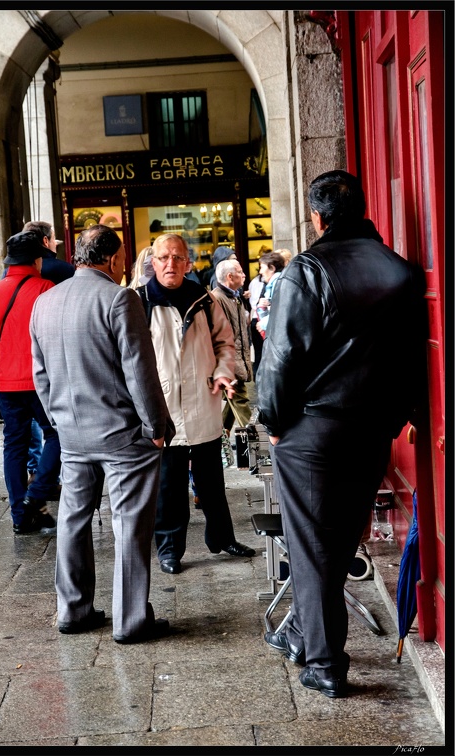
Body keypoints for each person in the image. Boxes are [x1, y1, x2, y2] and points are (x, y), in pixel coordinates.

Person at [256, 170, 427, 699]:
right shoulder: (400, 271)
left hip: (314, 430)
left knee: (311, 550)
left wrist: (274, 422)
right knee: (336, 542)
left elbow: (282, 357)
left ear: (317, 216)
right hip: (372, 428)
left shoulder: (308, 269)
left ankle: (326, 663)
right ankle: (304, 636)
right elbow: (412, 356)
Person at [30, 224, 175, 642]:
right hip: (122, 435)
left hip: (72, 434)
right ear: (112, 259)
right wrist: (155, 426)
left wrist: (58, 421)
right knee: (129, 522)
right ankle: (130, 621)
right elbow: (139, 371)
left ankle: (72, 610)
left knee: (73, 520)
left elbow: (41, 375)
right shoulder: (118, 298)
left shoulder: (46, 302)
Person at [136, 233, 256, 575]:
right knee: (169, 485)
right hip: (165, 407)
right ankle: (170, 548)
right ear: (153, 262)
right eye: (163, 258)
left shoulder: (204, 299)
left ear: (188, 264)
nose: (170, 264)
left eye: (177, 258)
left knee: (211, 480)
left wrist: (221, 372)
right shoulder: (139, 301)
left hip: (204, 400)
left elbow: (225, 343)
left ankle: (222, 538)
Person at [0, 231, 61, 535]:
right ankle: (36, 497)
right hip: (40, 382)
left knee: (13, 445)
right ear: (37, 260)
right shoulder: (45, 288)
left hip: (4, 383)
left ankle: (19, 515)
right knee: (57, 436)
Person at [21, 221, 74, 487]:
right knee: (54, 427)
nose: (55, 245)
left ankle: (35, 471)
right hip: (55, 356)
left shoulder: (9, 279)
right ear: (45, 242)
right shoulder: (64, 271)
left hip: (18, 362)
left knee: (25, 430)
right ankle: (45, 481)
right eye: (54, 240)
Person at [211, 258, 253, 432]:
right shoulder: (217, 298)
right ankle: (254, 434)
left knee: (232, 398)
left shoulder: (234, 297)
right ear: (230, 276)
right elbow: (221, 335)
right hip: (229, 362)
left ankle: (221, 434)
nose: (244, 275)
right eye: (240, 272)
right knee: (238, 396)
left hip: (237, 359)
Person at [255, 251, 286, 339]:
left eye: (261, 267)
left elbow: (281, 311)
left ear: (272, 268)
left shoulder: (278, 283)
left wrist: (263, 323)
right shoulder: (277, 283)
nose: (260, 272)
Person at [247, 272, 265, 379]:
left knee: (258, 350)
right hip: (261, 317)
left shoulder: (254, 282)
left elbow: (251, 302)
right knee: (262, 350)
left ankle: (256, 375)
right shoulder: (267, 282)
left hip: (254, 316)